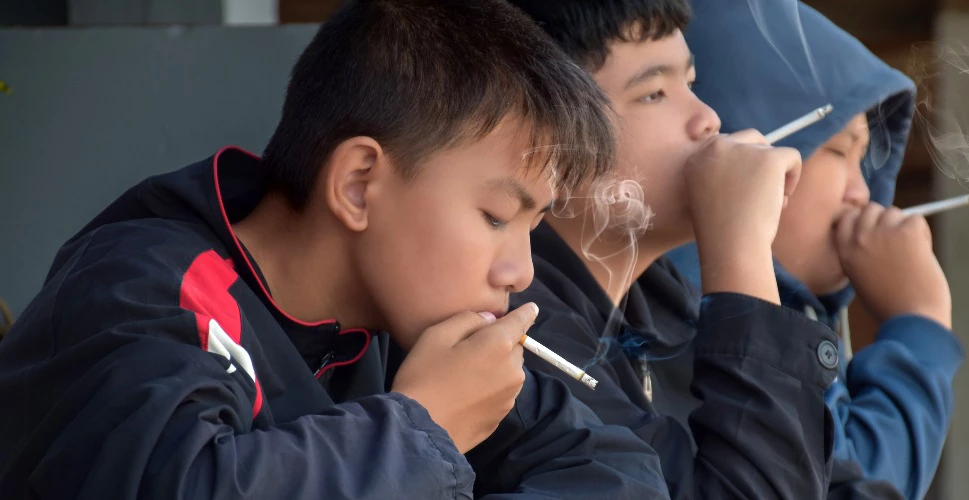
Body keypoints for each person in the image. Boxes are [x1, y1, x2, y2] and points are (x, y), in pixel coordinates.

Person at [0, 1, 671, 498]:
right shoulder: (142, 293)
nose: (521, 271)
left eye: (534, 224)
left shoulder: (413, 317)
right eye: (496, 216)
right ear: (357, 186)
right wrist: (425, 427)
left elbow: (616, 468)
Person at [505, 0, 904, 498]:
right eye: (654, 93)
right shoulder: (518, 336)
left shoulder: (668, 307)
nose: (708, 120)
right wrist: (740, 247)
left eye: (689, 85)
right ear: (549, 139)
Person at [667, 0, 965, 498]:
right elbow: (854, 483)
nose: (862, 194)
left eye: (863, 159)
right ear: (745, 140)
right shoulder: (678, 323)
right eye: (839, 151)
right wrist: (921, 324)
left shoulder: (793, 316)